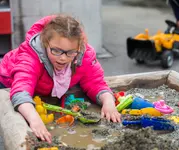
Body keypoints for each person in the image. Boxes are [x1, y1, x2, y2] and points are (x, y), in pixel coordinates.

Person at [0, 15, 121, 143]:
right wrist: (35, 120)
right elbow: (21, 91)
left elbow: (96, 82)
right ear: (46, 43)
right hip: (6, 83)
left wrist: (108, 101)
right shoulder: (31, 55)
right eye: (56, 51)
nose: (63, 58)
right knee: (10, 121)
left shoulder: (84, 56)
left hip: (44, 88)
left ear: (79, 48)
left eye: (70, 52)